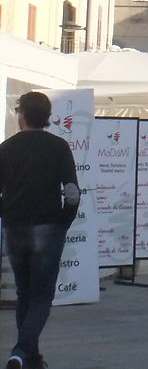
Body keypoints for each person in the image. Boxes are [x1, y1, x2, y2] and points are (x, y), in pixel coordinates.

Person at [0, 92, 81, 369]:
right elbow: (72, 193)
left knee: (25, 294)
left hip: (15, 228)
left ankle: (29, 358)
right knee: (42, 296)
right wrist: (63, 222)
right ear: (47, 117)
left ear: (21, 115)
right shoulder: (58, 147)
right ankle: (22, 352)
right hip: (48, 227)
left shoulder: (5, 148)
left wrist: (7, 212)